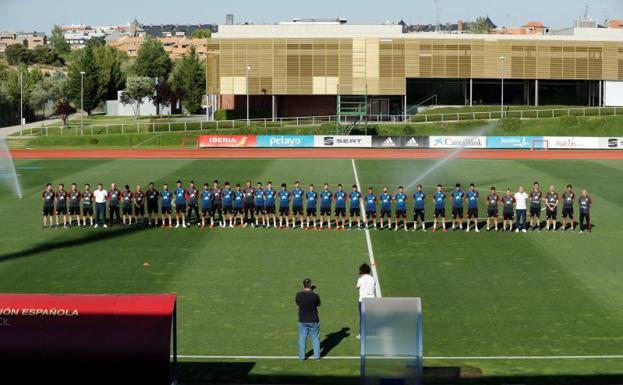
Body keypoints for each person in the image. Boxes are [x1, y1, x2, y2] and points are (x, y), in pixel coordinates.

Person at [295, 278, 321, 361]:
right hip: (314, 320)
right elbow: (318, 304)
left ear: (303, 285)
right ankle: (316, 356)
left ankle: (302, 357)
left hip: (302, 320)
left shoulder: (298, 295)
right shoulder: (315, 296)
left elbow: (297, 303)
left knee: (302, 338)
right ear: (310, 285)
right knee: (315, 338)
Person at [356, 263, 377, 339]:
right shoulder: (373, 279)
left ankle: (361, 334)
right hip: (371, 300)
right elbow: (373, 285)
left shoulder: (360, 279)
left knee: (362, 317)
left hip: (362, 300)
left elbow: (357, 286)